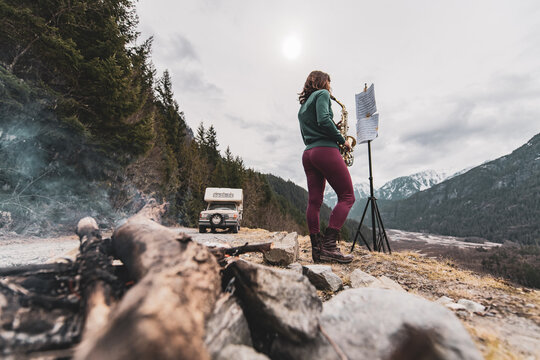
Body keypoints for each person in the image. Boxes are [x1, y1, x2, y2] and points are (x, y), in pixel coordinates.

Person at [298, 70, 355, 263]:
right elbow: (323, 120)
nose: (331, 88)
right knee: (347, 196)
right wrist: (342, 140)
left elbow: (315, 127)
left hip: (308, 153)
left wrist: (332, 125)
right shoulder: (322, 94)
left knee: (314, 202)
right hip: (325, 150)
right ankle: (329, 246)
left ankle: (317, 250)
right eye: (330, 83)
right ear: (323, 82)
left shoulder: (303, 106)